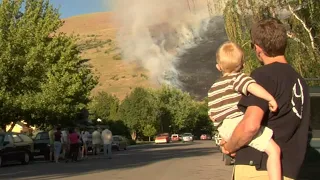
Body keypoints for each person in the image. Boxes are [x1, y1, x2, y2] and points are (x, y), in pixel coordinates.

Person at [220, 18, 310, 180]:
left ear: (258, 48)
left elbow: (250, 126)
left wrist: (229, 146)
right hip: (287, 171)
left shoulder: (263, 76)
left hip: (258, 169)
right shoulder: (300, 82)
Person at [208, 41, 280, 180]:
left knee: (237, 150)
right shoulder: (238, 78)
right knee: (274, 151)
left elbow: (212, 115)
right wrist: (270, 98)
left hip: (224, 128)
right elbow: (252, 87)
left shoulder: (213, 89)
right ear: (243, 65)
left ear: (218, 67)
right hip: (238, 123)